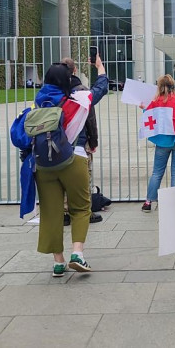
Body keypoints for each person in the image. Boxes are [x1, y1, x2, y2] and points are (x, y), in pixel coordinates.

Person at [29, 57, 108, 277]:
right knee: (81, 208)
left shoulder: (39, 102)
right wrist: (100, 69)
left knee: (51, 211)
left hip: (44, 164)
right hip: (74, 158)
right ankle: (77, 253)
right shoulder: (78, 100)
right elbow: (100, 89)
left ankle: (58, 262)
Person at [61, 58, 102, 225]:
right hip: (80, 140)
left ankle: (64, 212)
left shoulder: (56, 90)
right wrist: (94, 141)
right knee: (85, 178)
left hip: (60, 141)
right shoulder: (82, 91)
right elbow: (90, 120)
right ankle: (85, 211)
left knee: (63, 178)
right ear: (75, 70)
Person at [141, 74, 175, 212]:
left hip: (162, 141)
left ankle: (148, 202)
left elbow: (148, 114)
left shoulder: (156, 101)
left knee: (157, 172)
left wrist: (143, 108)